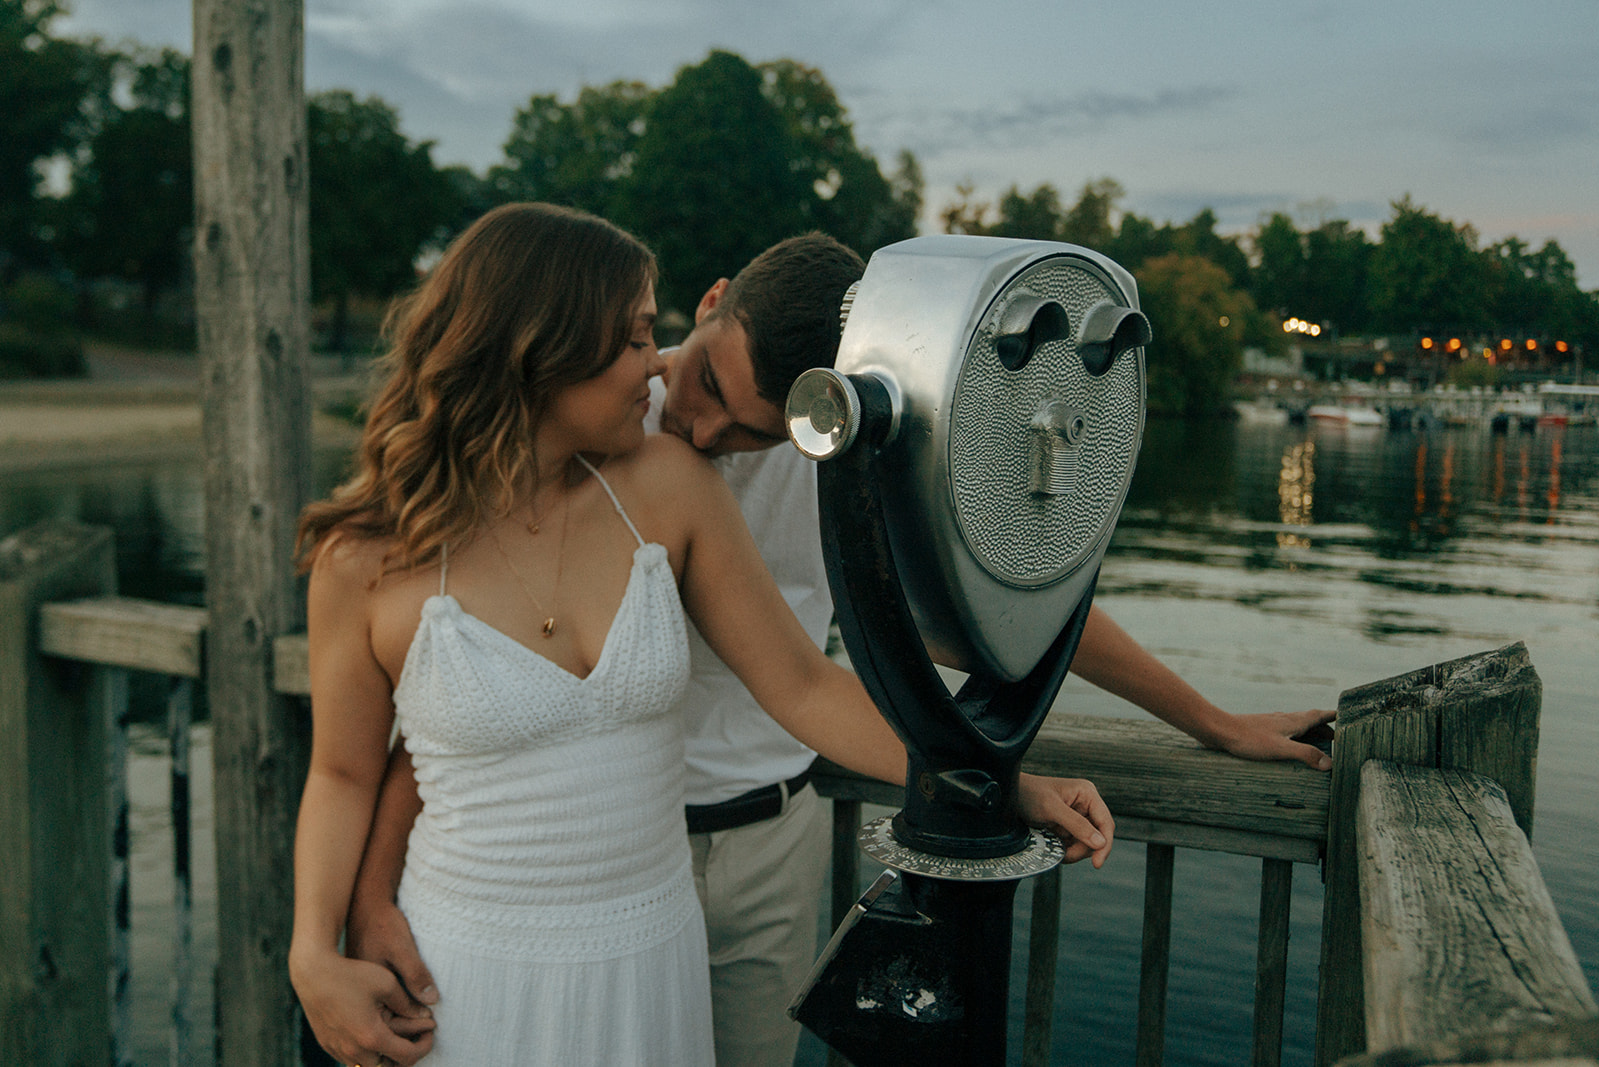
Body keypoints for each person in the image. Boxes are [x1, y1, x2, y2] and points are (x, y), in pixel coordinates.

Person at [345, 231, 1337, 1067]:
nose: (703, 425)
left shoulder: (839, 459)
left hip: (763, 843)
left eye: (756, 428)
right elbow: (441, 698)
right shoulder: (594, 414)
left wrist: (1198, 725)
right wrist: (361, 900)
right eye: (703, 378)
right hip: (556, 866)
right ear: (713, 300)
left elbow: (1013, 607)